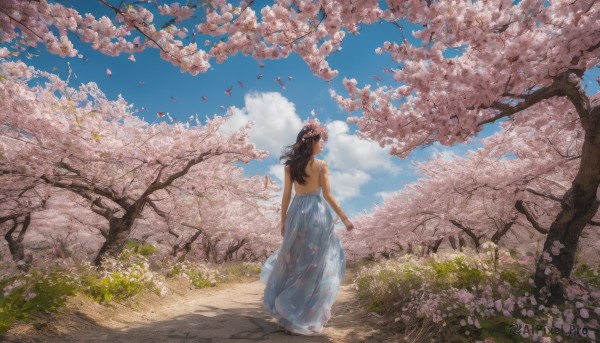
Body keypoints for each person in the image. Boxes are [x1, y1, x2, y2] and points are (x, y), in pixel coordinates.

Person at [260, 119, 354, 335]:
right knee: (317, 264)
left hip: (297, 213)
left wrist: (283, 221)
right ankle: (309, 313)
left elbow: (286, 196)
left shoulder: (290, 167)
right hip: (317, 214)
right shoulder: (322, 166)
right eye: (320, 141)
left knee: (295, 262)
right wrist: (345, 219)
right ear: (310, 142)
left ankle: (290, 310)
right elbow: (328, 196)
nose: (322, 145)